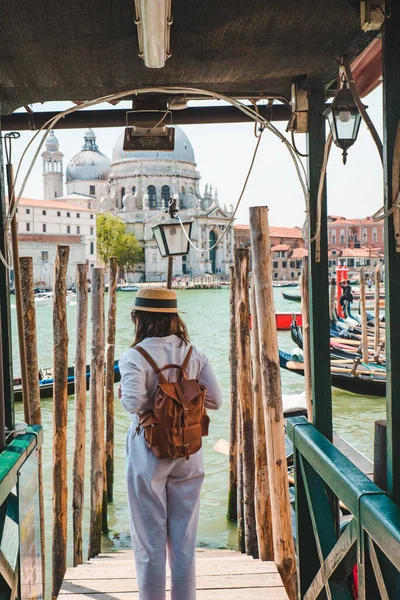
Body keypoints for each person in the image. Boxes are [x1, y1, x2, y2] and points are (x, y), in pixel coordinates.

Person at [119, 287, 223, 600]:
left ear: (138, 319)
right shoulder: (193, 353)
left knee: (150, 543)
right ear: (173, 318)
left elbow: (133, 402)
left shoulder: (134, 356)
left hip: (149, 452)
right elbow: (216, 400)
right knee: (184, 541)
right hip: (189, 452)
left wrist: (125, 396)